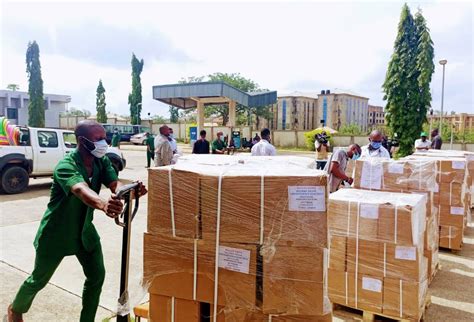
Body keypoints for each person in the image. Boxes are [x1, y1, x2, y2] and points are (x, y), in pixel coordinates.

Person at [7, 120, 147, 322]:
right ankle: (16, 309)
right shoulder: (66, 166)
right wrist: (103, 204)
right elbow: (81, 189)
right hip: (56, 234)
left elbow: (114, 184)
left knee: (96, 277)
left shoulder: (101, 162)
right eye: (98, 139)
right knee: (38, 280)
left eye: (104, 138)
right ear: (82, 141)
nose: (104, 143)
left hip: (85, 232)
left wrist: (130, 192)